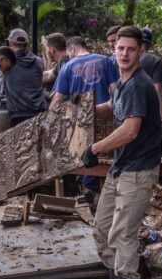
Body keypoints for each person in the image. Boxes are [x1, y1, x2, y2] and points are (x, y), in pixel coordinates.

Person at [80, 26, 162, 279]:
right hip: (120, 167)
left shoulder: (139, 84)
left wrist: (95, 148)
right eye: (120, 48)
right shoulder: (123, 82)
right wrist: (81, 109)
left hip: (138, 171)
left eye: (130, 49)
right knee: (102, 229)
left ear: (141, 51)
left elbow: (130, 130)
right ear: (113, 50)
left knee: (122, 233)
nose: (124, 53)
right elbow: (111, 107)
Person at [49, 36, 119, 201]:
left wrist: (48, 122)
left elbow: (57, 100)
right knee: (105, 161)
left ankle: (89, 196)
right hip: (107, 122)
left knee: (84, 160)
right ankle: (103, 198)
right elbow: (116, 92)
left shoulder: (67, 67)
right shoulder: (106, 61)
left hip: (80, 126)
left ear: (72, 49)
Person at [5, 28, 49, 127]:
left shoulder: (7, 63)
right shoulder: (38, 61)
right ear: (26, 44)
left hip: (19, 114)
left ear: (11, 44)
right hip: (40, 112)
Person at [139, 27, 162, 121]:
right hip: (148, 112)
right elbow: (158, 90)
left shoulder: (126, 59)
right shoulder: (156, 61)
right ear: (150, 44)